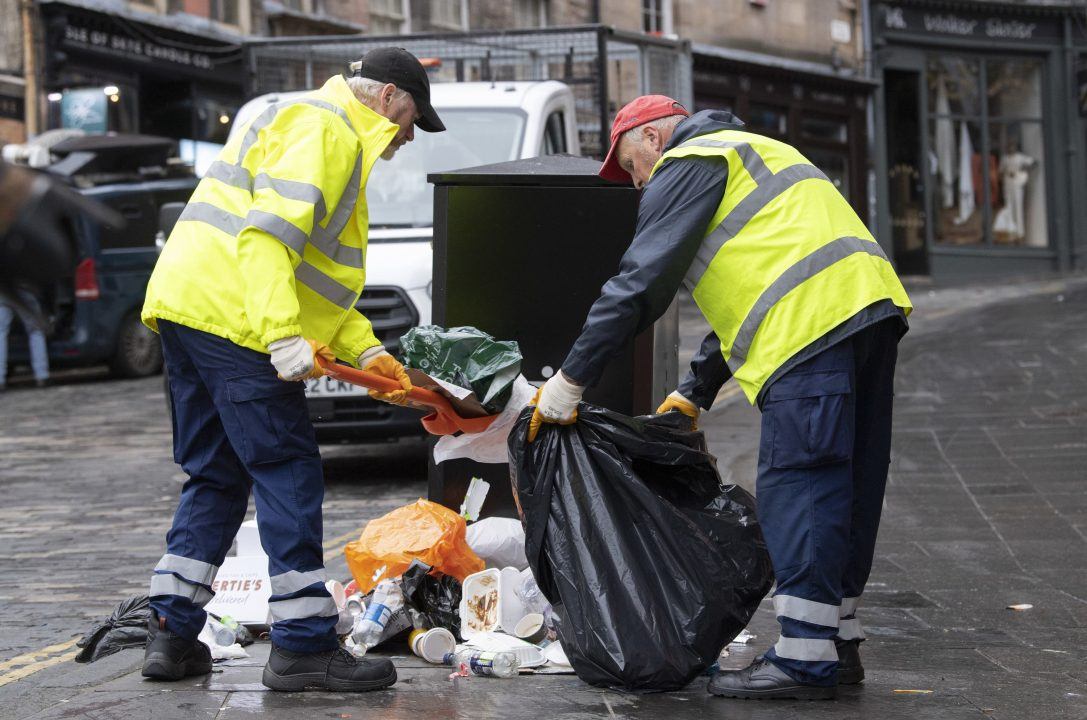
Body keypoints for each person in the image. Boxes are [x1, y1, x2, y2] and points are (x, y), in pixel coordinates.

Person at [529, 95, 912, 700]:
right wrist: (694, 389)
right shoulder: (762, 150)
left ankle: (802, 659)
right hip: (869, 313)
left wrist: (570, 380)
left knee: (802, 479)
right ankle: (835, 641)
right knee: (849, 481)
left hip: (808, 327)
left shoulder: (691, 161)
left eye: (630, 165)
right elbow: (759, 278)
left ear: (654, 138)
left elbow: (639, 283)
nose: (635, 183)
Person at [139, 48, 445, 693]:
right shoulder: (329, 130)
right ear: (389, 97)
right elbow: (266, 239)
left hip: (190, 308)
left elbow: (316, 280)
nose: (410, 136)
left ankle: (170, 633)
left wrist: (368, 353)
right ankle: (303, 646)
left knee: (217, 473)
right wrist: (280, 336)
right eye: (415, 118)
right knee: (287, 468)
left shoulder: (310, 121)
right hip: (236, 318)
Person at [0, 284, 51, 390]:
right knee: (36, 332)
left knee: (1, 333)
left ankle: (0, 379)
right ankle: (41, 375)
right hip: (25, 288)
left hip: (3, 292)